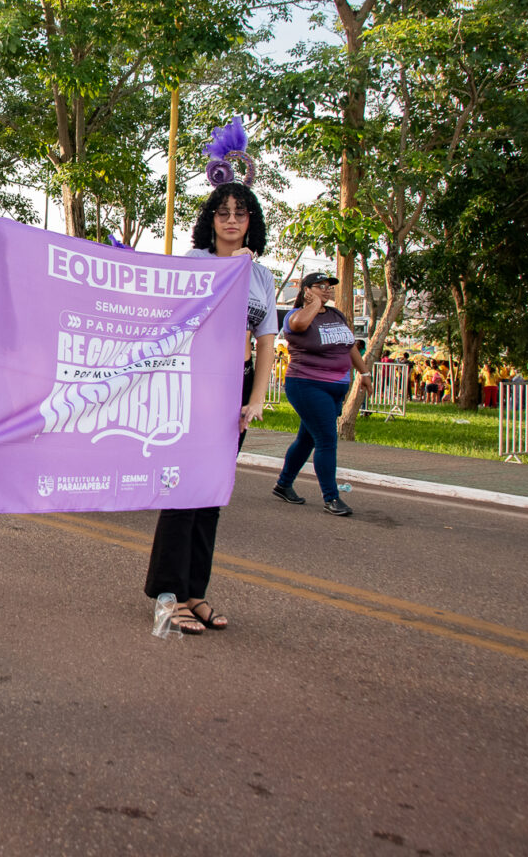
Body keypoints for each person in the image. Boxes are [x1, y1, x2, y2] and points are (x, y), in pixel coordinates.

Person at [145, 124, 278, 637]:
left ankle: (196, 591)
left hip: (236, 389)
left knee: (213, 490)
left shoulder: (262, 275)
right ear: (210, 220)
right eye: (222, 212)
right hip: (192, 386)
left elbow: (266, 342)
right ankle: (168, 595)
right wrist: (231, 272)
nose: (230, 220)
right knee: (184, 489)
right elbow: (179, 317)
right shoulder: (196, 264)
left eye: (240, 213)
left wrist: (258, 398)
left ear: (252, 221)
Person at [274, 271, 372, 515]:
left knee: (307, 439)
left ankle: (283, 485)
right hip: (307, 385)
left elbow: (348, 345)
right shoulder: (295, 316)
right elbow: (300, 326)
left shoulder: (336, 315)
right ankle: (331, 498)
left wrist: (365, 374)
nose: (327, 290)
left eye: (329, 287)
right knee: (327, 440)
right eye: (320, 286)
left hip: (336, 387)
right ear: (306, 290)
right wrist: (314, 303)